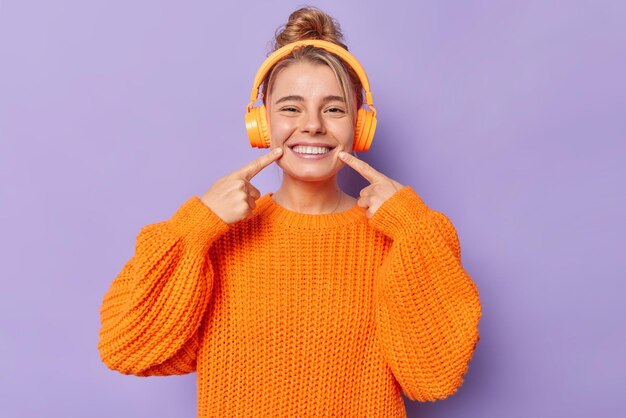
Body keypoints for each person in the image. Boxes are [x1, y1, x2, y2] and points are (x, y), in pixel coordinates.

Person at [97, 6, 482, 417]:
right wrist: (195, 225)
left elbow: (433, 377)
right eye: (291, 108)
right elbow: (126, 346)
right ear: (261, 123)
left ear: (360, 125)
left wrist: (413, 227)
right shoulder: (217, 237)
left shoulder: (402, 237)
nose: (313, 125)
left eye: (333, 109)